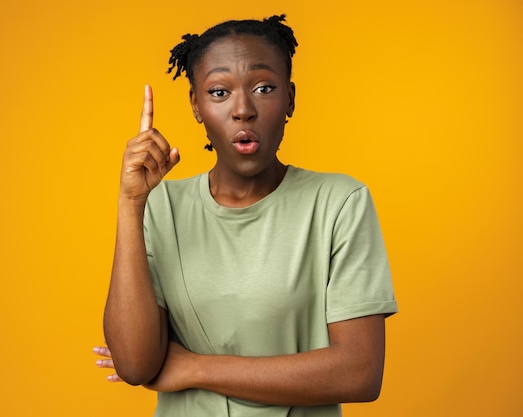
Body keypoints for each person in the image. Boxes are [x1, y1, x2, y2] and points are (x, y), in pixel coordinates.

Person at [94, 14, 398, 417]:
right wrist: (130, 203)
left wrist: (194, 367)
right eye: (219, 92)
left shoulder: (339, 203)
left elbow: (359, 373)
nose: (243, 110)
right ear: (196, 106)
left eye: (263, 88)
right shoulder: (160, 207)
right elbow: (135, 365)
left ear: (290, 98)